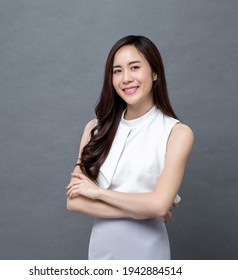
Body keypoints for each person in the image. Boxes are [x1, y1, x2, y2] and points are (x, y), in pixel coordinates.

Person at [66, 35, 194, 260]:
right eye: (117, 71)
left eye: (134, 67)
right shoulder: (94, 129)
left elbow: (159, 206)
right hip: (101, 248)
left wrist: (98, 193)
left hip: (147, 250)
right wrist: (144, 209)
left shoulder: (177, 133)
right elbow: (74, 201)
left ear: (155, 73)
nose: (126, 78)